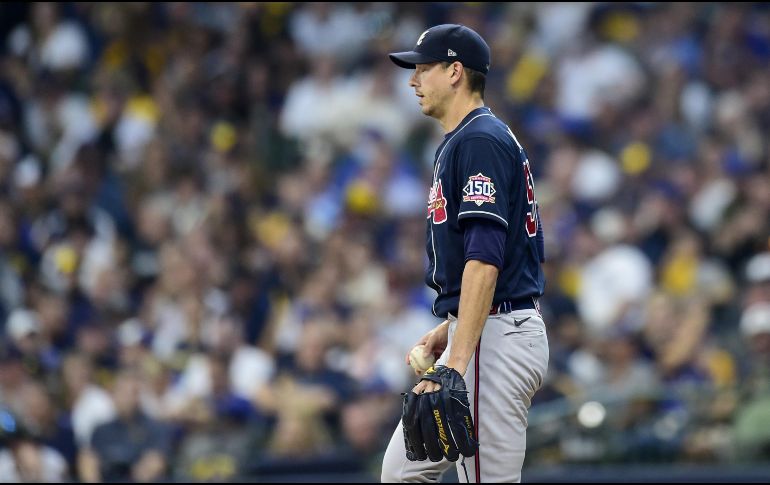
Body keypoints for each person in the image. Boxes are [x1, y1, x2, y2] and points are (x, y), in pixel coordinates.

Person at [381, 24, 549, 483]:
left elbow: (486, 260)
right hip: (484, 329)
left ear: (455, 72)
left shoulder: (477, 141)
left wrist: (456, 361)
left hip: (493, 340)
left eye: (422, 69)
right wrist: (449, 326)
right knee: (401, 474)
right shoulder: (469, 138)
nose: (413, 80)